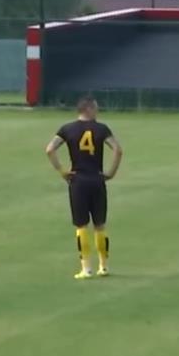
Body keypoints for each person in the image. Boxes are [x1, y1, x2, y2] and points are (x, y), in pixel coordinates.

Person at [44, 95, 124, 279]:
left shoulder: (67, 129)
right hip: (97, 179)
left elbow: (50, 149)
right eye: (95, 108)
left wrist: (62, 171)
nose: (97, 111)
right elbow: (118, 150)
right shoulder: (101, 129)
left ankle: (86, 268)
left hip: (78, 181)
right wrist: (111, 172)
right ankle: (103, 266)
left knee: (81, 225)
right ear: (87, 109)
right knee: (100, 225)